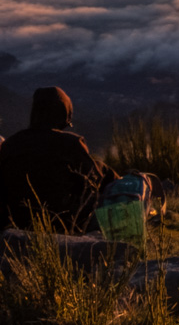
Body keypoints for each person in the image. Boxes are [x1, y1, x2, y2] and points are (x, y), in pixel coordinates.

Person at [0, 87, 111, 232]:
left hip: (15, 226)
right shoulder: (71, 144)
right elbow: (97, 179)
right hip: (63, 226)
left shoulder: (10, 145)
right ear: (64, 115)